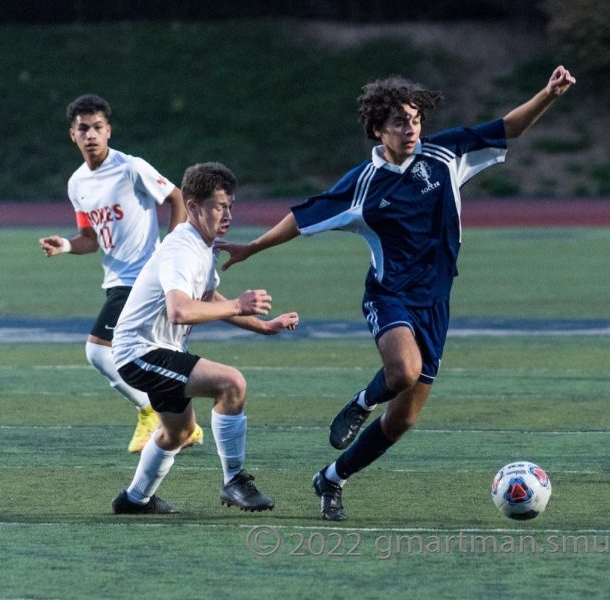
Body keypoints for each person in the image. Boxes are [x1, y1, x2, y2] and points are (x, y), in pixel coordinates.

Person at [216, 66, 576, 520]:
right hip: (389, 297)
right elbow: (303, 216)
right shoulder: (362, 184)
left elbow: (510, 128)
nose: (411, 130)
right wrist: (252, 246)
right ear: (377, 129)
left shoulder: (446, 154)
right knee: (403, 372)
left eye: (415, 119)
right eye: (399, 123)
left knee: (403, 419)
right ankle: (361, 402)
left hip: (435, 304)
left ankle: (331, 478)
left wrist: (548, 93)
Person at [110, 162, 299, 514]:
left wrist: (265, 325)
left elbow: (211, 301)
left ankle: (134, 500)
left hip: (157, 351)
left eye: (230, 206)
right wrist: (240, 305)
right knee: (231, 383)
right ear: (194, 207)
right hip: (140, 352)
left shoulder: (203, 246)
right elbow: (180, 310)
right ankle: (235, 480)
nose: (227, 214)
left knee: (178, 433)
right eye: (217, 206)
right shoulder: (182, 248)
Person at [39, 94, 202, 453]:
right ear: (73, 135)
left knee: (98, 352)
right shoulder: (77, 184)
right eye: (84, 129)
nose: (91, 135)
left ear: (108, 130)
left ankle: (149, 412)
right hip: (115, 281)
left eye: (98, 127)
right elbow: (89, 239)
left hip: (141, 279)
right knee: (153, 354)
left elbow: (176, 197)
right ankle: (181, 422)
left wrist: (172, 250)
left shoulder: (131, 167)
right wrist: (65, 246)